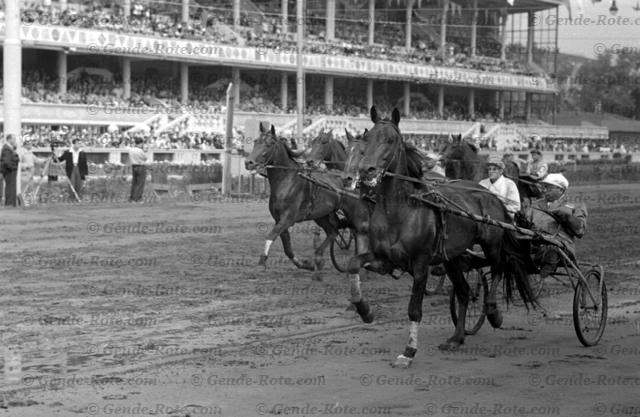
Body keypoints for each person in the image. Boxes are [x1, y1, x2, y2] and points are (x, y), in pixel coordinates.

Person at [527, 173, 587, 277]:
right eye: (543, 187)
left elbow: (580, 231)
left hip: (562, 247)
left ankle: (548, 260)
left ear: (561, 190)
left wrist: (567, 217)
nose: (544, 190)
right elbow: (525, 225)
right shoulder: (535, 205)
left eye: (548, 188)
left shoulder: (575, 205)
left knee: (552, 249)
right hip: (535, 244)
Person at [0, 134, 20, 206]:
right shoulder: (6, 148)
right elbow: (6, 161)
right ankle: (10, 203)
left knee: (12, 187)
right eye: (13, 139)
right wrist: (12, 168)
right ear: (9, 139)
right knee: (10, 187)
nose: (14, 140)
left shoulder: (10, 148)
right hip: (9, 171)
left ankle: (11, 203)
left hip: (11, 170)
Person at [128, 137, 148, 202]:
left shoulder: (131, 150)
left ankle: (132, 198)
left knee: (134, 183)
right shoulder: (140, 150)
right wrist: (144, 150)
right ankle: (138, 198)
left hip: (134, 166)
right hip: (141, 166)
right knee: (140, 183)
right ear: (141, 143)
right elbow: (145, 158)